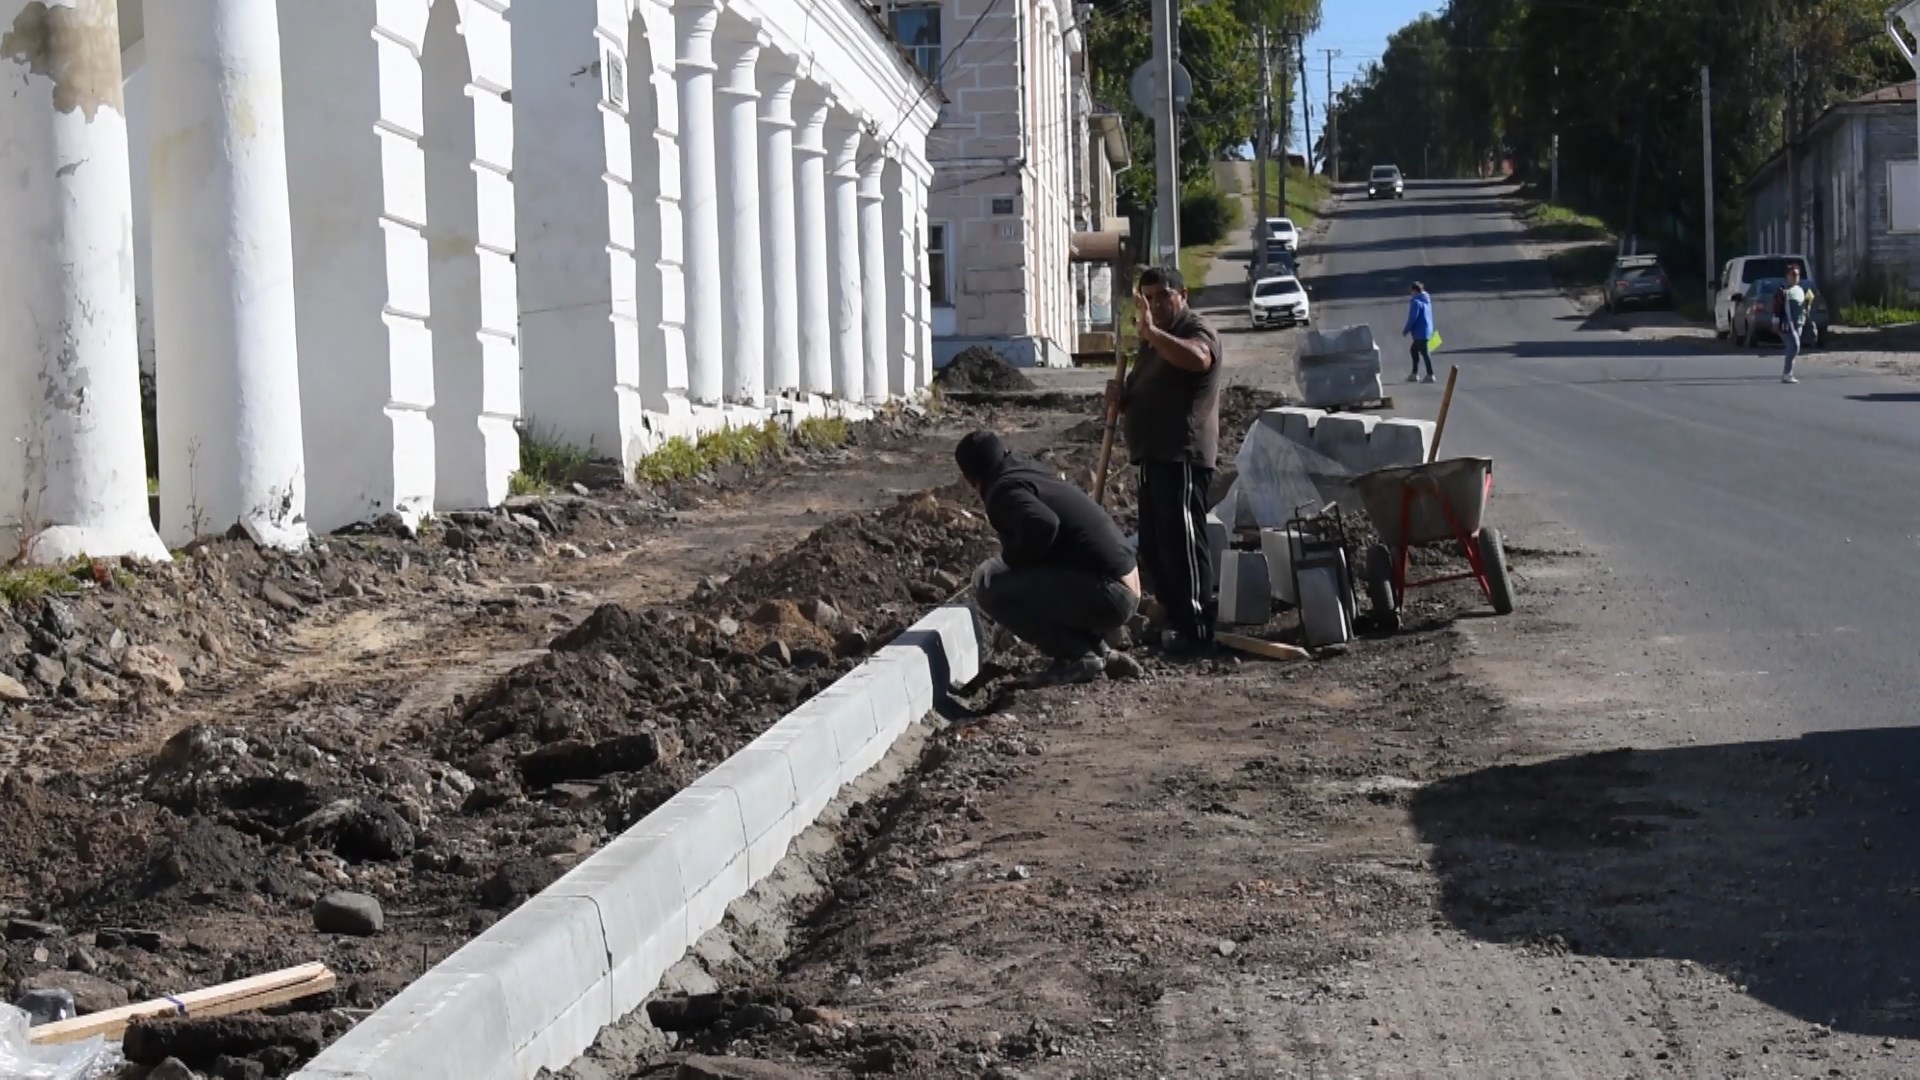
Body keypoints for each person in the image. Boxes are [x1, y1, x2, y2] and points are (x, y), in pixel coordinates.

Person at [955, 431, 1141, 685]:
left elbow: (1043, 525)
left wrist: (1007, 566)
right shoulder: (1025, 471)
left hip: (1112, 594)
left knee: (991, 590)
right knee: (1012, 583)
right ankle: (1099, 653)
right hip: (1121, 582)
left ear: (969, 478)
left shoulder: (1002, 491)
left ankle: (1077, 655)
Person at [1105, 266, 1225, 654]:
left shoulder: (1194, 330)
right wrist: (1121, 399)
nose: (1156, 304)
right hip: (1152, 456)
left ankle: (1195, 625)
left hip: (1181, 455)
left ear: (1182, 295)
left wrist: (1154, 334)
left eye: (1163, 296)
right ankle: (1172, 617)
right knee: (1155, 545)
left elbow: (1198, 360)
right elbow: (1150, 393)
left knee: (1182, 542)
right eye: (1149, 298)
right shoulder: (1153, 343)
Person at [1774, 264, 1812, 384]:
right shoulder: (1784, 291)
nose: (1796, 277)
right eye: (1793, 274)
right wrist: (1774, 322)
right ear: (1787, 276)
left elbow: (1804, 309)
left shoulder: (1800, 290)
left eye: (1798, 274)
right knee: (1795, 346)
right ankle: (1787, 374)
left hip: (1798, 324)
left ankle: (1788, 373)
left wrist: (1808, 304)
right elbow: (1777, 308)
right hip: (1786, 324)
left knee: (1792, 348)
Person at [1403, 282, 1435, 383]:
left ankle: (1430, 374)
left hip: (1420, 332)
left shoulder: (1415, 302)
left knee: (1424, 353)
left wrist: (1406, 330)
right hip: (1427, 330)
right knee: (1414, 350)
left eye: (1411, 291)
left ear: (1414, 291)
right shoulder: (1426, 299)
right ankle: (1414, 373)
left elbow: (1413, 318)